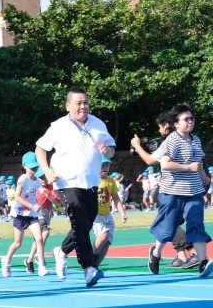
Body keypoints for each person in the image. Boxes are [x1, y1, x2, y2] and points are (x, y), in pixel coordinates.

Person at [35, 86, 115, 287]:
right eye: (78, 103)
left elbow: (111, 150)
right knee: (80, 222)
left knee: (85, 225)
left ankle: (61, 251)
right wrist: (47, 170)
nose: (83, 106)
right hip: (66, 183)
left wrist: (108, 149)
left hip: (91, 183)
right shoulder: (59, 126)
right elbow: (40, 148)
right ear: (68, 105)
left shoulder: (98, 124)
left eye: (85, 102)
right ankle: (88, 268)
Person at [144, 104, 213, 277]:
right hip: (173, 191)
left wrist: (204, 177)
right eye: (186, 119)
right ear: (176, 123)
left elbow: (197, 163)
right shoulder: (172, 140)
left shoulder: (196, 140)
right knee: (168, 227)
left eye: (192, 119)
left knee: (196, 224)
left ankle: (203, 261)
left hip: (194, 191)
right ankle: (156, 253)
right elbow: (165, 164)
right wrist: (188, 167)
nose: (190, 122)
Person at [1, 152, 50, 278]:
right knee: (18, 242)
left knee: (39, 238)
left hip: (32, 215)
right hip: (20, 214)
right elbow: (17, 197)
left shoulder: (38, 181)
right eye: (31, 166)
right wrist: (32, 206)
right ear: (24, 166)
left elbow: (36, 194)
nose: (34, 168)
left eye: (35, 166)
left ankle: (42, 266)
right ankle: (6, 261)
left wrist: (42, 194)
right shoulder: (22, 179)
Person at [91, 157, 127, 268]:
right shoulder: (92, 180)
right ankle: (89, 258)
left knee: (107, 242)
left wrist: (122, 213)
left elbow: (116, 198)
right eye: (102, 165)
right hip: (95, 215)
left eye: (107, 165)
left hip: (107, 215)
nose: (105, 168)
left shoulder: (111, 181)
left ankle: (95, 266)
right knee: (103, 236)